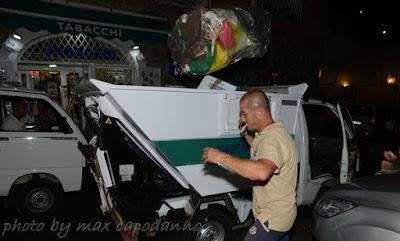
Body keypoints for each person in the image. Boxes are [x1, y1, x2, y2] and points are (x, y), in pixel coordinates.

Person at [202, 89, 298, 241]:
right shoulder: (270, 132)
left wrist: (221, 157)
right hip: (283, 215)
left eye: (244, 113)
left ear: (259, 112)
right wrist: (245, 134)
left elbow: (262, 171)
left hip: (273, 217)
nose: (242, 118)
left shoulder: (272, 139)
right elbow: (261, 149)